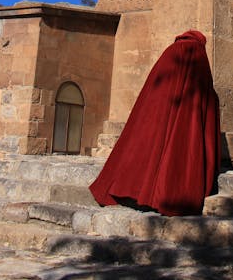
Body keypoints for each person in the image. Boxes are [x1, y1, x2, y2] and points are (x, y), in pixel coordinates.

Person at [89, 29, 221, 217]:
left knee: (148, 143)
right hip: (184, 110)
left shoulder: (170, 51)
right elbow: (203, 89)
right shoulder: (196, 51)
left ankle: (133, 190)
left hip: (157, 107)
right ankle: (163, 194)